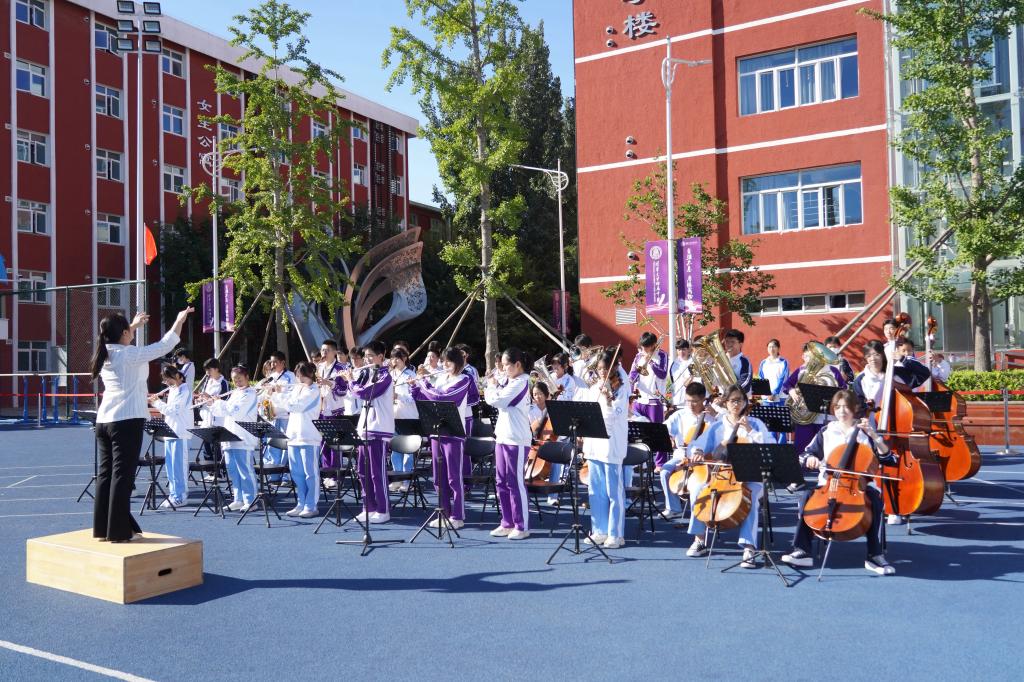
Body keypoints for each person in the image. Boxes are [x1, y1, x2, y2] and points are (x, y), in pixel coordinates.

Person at [91, 307, 192, 542]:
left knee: (106, 475)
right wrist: (179, 319)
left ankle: (103, 529)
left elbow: (117, 338)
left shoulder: (105, 353)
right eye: (129, 330)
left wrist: (133, 326)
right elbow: (165, 345)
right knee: (122, 477)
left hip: (104, 420)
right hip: (126, 420)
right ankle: (119, 531)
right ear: (124, 333)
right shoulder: (129, 354)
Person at [781, 389, 898, 575]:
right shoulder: (827, 431)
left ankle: (875, 555)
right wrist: (810, 459)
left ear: (855, 408)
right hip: (828, 484)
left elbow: (890, 459)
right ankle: (802, 550)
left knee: (875, 501)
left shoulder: (865, 432)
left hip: (860, 485)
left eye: (846, 407)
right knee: (806, 497)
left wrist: (875, 436)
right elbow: (805, 454)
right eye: (837, 407)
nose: (841, 411)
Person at [685, 384, 770, 568]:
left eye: (740, 400)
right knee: (697, 490)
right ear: (725, 403)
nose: (736, 404)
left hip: (750, 476)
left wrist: (750, 432)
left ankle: (749, 547)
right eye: (732, 400)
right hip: (722, 475)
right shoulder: (717, 426)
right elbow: (695, 444)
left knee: (750, 496)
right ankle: (699, 539)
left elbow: (769, 447)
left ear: (745, 402)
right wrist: (698, 451)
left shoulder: (756, 424)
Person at [410, 348, 475, 529]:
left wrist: (423, 382)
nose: (445, 365)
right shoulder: (440, 379)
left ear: (458, 362)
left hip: (453, 433)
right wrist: (415, 386)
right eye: (444, 361)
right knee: (439, 477)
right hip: (436, 431)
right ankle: (443, 512)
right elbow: (422, 397)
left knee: (454, 477)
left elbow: (443, 397)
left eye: (449, 361)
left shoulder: (464, 379)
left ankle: (458, 516)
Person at [581, 349, 630, 550]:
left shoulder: (621, 389)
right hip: (594, 445)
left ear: (615, 367)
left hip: (612, 445)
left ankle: (616, 533)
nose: (602, 372)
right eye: (599, 368)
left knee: (613, 492)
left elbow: (614, 416)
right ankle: (599, 530)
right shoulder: (594, 388)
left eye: (605, 368)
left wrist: (609, 399)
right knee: (596, 490)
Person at [484, 348, 533, 540]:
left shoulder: (521, 382)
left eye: (506, 365)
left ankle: (521, 526)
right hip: (503, 437)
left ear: (517, 365)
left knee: (515, 482)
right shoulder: (511, 381)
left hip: (517, 439)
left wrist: (491, 386)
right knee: (501, 481)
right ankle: (507, 522)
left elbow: (497, 400)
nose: (503, 369)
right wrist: (496, 383)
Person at [348, 341, 395, 523]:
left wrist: (351, 381)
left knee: (377, 472)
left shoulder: (385, 376)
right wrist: (350, 380)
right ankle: (368, 507)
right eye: (365, 356)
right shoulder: (368, 374)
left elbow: (365, 393)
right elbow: (355, 392)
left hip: (379, 428)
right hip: (365, 428)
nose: (366, 359)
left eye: (370, 356)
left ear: (380, 357)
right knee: (362, 471)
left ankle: (383, 510)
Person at [270, 361, 322, 518]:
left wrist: (279, 394)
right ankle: (301, 503)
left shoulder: (314, 390)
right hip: (293, 436)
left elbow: (296, 406)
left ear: (310, 375)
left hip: (309, 437)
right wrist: (274, 393)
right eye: (297, 376)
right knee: (297, 473)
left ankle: (311, 505)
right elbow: (283, 406)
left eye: (301, 376)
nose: (298, 379)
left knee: (310, 474)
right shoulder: (297, 389)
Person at [207, 365, 259, 511]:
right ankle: (238, 499)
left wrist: (219, 402)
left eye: (239, 378)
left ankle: (251, 500)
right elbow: (222, 412)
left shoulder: (250, 394)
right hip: (229, 436)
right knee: (233, 470)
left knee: (245, 470)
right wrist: (212, 404)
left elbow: (237, 411)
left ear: (247, 377)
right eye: (234, 379)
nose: (237, 382)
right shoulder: (235, 393)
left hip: (243, 438)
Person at [659, 382, 714, 519]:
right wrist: (668, 437)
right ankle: (673, 508)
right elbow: (663, 429)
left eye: (694, 401)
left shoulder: (711, 418)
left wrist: (716, 415)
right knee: (665, 471)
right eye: (688, 401)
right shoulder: (680, 414)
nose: (690, 405)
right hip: (682, 456)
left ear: (703, 399)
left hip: (704, 459)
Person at [783, 341, 847, 453]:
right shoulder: (802, 370)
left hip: (826, 419)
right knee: (801, 450)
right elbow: (787, 385)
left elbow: (843, 390)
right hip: (804, 418)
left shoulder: (833, 371)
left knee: (825, 450)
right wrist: (792, 391)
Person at [149, 365, 192, 509]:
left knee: (179, 467)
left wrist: (156, 402)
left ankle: (181, 496)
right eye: (166, 381)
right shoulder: (173, 390)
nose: (168, 383)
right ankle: (174, 494)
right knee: (171, 467)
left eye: (170, 380)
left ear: (178, 376)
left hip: (180, 433)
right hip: (170, 432)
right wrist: (158, 402)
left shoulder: (184, 390)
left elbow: (173, 411)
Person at [629, 331, 670, 468]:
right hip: (639, 400)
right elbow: (632, 375)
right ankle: (639, 461)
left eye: (646, 347)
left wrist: (650, 361)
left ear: (653, 345)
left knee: (658, 433)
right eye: (642, 346)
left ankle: (660, 464)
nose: (644, 350)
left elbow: (662, 374)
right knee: (637, 432)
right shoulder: (638, 356)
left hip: (654, 400)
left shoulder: (662, 355)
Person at [317, 339, 349, 488]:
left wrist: (329, 383)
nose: (324, 353)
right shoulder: (319, 367)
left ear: (335, 352)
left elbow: (344, 391)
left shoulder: (341, 368)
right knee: (323, 443)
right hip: (322, 409)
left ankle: (336, 475)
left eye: (327, 350)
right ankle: (327, 473)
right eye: (322, 350)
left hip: (335, 410)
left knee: (335, 443)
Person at [389, 346, 418, 491]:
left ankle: (406, 480)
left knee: (408, 449)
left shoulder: (410, 374)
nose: (394, 361)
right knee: (395, 448)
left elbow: (414, 397)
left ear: (405, 359)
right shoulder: (390, 374)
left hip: (408, 416)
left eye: (397, 358)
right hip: (393, 415)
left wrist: (398, 396)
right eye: (393, 358)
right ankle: (397, 478)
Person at [263, 351, 296, 479]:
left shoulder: (290, 376)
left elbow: (292, 395)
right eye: (271, 362)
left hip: (285, 416)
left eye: (275, 362)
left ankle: (285, 475)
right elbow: (265, 396)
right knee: (272, 444)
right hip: (272, 415)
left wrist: (278, 391)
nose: (273, 364)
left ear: (283, 362)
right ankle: (273, 474)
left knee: (285, 445)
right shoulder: (271, 377)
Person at [757, 339, 789, 404]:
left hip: (780, 397)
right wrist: (766, 393)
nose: (771, 349)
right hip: (767, 397)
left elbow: (783, 379)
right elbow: (761, 378)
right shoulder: (763, 362)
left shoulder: (783, 362)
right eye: (769, 347)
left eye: (774, 347)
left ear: (778, 348)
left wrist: (774, 393)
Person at [722, 329, 752, 394]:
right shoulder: (719, 359)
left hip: (737, 398)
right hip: (719, 397)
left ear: (740, 344)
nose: (729, 344)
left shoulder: (744, 361)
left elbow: (745, 383)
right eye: (726, 341)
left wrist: (729, 394)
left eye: (732, 342)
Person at [668, 339, 694, 410]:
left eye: (683, 349)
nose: (681, 352)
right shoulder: (674, 364)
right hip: (677, 400)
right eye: (679, 350)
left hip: (691, 400)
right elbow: (673, 382)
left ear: (688, 350)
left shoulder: (693, 362)